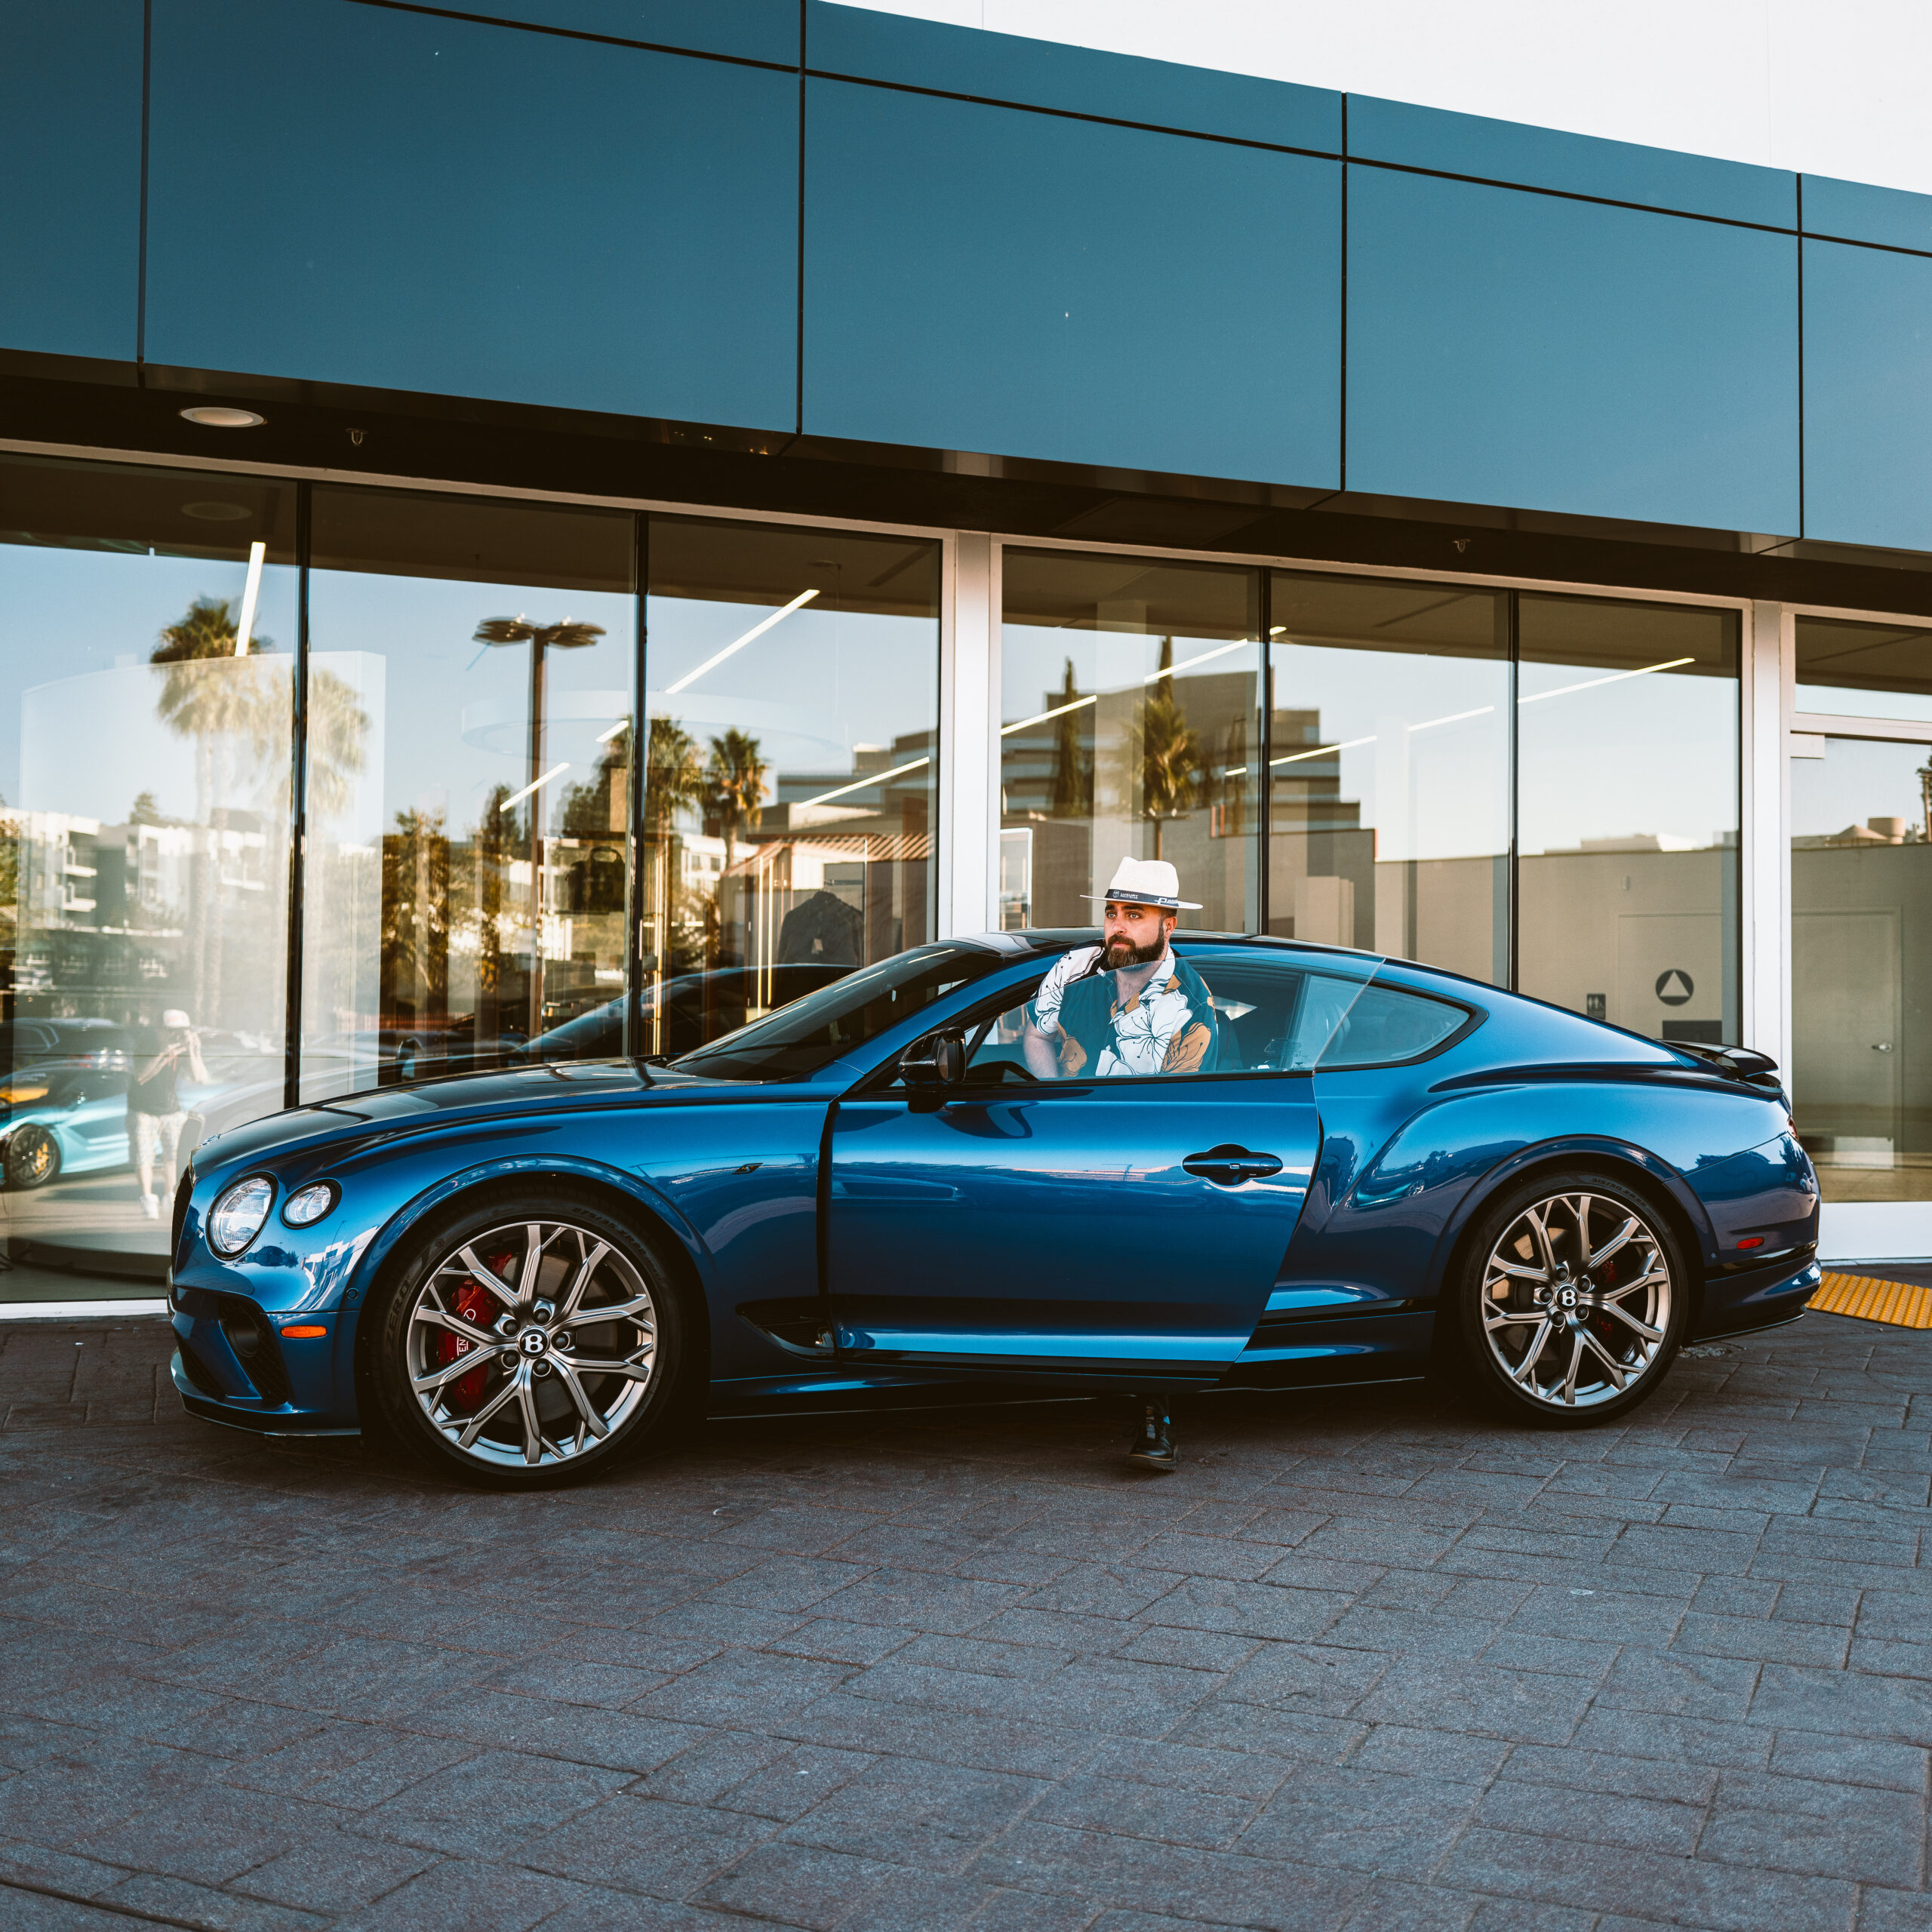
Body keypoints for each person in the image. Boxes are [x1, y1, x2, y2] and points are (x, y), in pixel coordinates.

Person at [1019, 857, 1217, 1473]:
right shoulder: (1084, 982)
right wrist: (1051, 1108)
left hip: (1150, 1172)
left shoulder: (1193, 1008)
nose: (1118, 928)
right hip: (1070, 1157)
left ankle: (1155, 1413)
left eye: (1135, 915)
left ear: (1169, 924)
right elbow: (1034, 1032)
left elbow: (1182, 1116)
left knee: (1146, 1253)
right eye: (1111, 913)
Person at [128, 1008, 206, 1220]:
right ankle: (147, 1198)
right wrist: (164, 1052)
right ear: (160, 1031)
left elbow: (200, 1077)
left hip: (171, 1109)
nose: (176, 1036)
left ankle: (170, 1195)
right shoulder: (146, 1045)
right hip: (143, 1110)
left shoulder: (182, 1048)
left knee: (174, 1155)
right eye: (171, 1031)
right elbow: (141, 1076)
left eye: (181, 1032)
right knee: (144, 1156)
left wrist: (192, 1050)